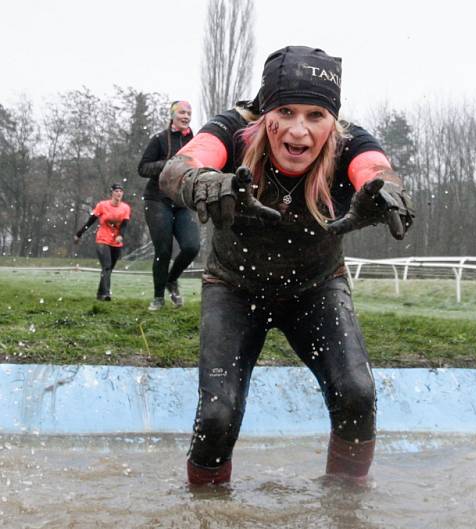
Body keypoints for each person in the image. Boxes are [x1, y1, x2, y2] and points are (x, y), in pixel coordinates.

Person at [158, 45, 414, 485]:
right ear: (264, 114)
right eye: (287, 112)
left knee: (357, 394)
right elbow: (176, 168)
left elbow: (378, 170)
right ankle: (206, 513)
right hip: (234, 288)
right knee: (217, 416)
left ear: (332, 120)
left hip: (315, 289)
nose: (300, 132)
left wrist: (382, 189)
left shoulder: (350, 141)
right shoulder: (234, 131)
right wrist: (201, 182)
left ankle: (345, 508)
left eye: (316, 115)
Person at [138, 100, 201, 311]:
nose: (186, 116)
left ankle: (171, 280)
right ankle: (158, 298)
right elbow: (143, 168)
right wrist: (167, 164)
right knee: (163, 251)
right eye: (182, 112)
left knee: (192, 246)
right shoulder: (159, 139)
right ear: (172, 115)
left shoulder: (195, 140)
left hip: (181, 202)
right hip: (157, 200)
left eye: (189, 113)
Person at [74, 183, 132, 301]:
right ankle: (106, 294)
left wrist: (121, 235)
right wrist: (79, 234)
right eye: (116, 191)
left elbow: (125, 224)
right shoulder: (102, 205)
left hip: (116, 242)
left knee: (109, 269)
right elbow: (91, 221)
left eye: (121, 191)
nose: (119, 193)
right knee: (106, 266)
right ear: (112, 193)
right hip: (103, 239)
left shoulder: (125, 208)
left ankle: (100, 294)